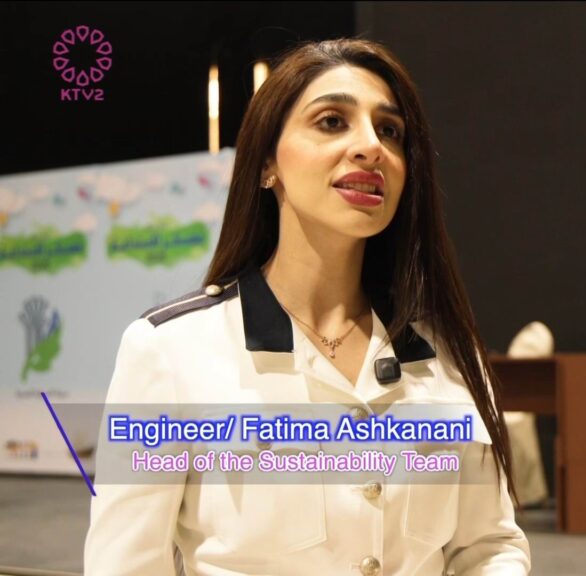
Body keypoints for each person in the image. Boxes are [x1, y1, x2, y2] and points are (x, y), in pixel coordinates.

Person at [84, 38, 531, 575]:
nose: (371, 146)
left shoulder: (450, 356)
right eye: (332, 122)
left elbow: (488, 548)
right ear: (266, 163)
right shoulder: (170, 352)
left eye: (390, 130)